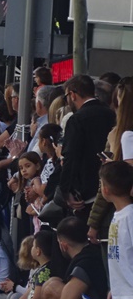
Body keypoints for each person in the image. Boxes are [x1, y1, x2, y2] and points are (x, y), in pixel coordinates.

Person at [59, 74, 115, 221]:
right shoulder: (111, 114)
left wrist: (65, 190)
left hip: (84, 192)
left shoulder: (77, 119)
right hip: (111, 184)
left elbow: (70, 155)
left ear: (72, 94)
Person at [101, 161, 133, 299]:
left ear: (106, 189)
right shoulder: (118, 215)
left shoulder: (129, 216)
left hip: (131, 292)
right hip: (122, 291)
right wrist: (115, 287)